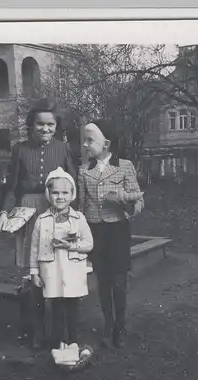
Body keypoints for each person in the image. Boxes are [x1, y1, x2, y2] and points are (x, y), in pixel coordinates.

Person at [0, 97, 77, 348]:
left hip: (56, 211)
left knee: (55, 267)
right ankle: (36, 331)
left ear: (56, 126)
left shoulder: (63, 148)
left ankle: (58, 333)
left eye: (50, 125)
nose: (45, 129)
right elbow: (12, 186)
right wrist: (4, 213)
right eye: (40, 124)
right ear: (31, 125)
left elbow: (73, 186)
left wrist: (74, 218)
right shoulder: (20, 149)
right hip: (29, 212)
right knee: (32, 273)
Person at [78, 120, 144, 349]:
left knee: (119, 282)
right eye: (84, 140)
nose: (85, 145)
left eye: (90, 140)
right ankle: (108, 325)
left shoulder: (124, 166)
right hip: (95, 230)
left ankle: (120, 327)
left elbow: (139, 200)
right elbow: (81, 207)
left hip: (117, 230)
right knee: (103, 282)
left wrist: (124, 201)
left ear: (106, 143)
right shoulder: (84, 170)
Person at [30, 167, 93, 349]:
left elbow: (89, 243)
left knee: (72, 307)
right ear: (48, 194)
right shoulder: (41, 220)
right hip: (52, 269)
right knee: (56, 306)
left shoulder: (78, 218)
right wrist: (34, 272)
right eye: (55, 192)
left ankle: (73, 341)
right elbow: (34, 249)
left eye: (65, 192)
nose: (60, 197)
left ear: (72, 194)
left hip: (72, 269)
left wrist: (71, 246)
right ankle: (59, 342)